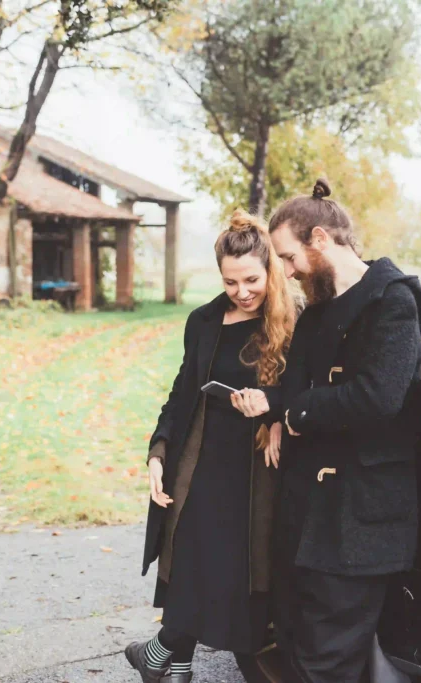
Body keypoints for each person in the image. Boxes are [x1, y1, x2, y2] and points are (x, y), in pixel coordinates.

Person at [234, 178, 421, 683]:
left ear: (320, 239)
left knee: (328, 659)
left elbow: (378, 396)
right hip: (306, 515)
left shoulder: (392, 301)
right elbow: (297, 386)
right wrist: (271, 408)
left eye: (289, 257)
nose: (288, 271)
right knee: (295, 642)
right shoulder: (318, 310)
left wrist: (297, 415)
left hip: (358, 520)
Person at [127, 210, 295, 683]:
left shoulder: (292, 320)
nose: (242, 292)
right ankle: (173, 662)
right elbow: (182, 393)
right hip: (200, 461)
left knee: (234, 569)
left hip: (257, 469)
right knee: (191, 559)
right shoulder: (203, 320)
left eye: (251, 280)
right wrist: (158, 452)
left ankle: (160, 652)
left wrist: (273, 409)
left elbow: (304, 389)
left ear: (270, 271)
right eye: (230, 281)